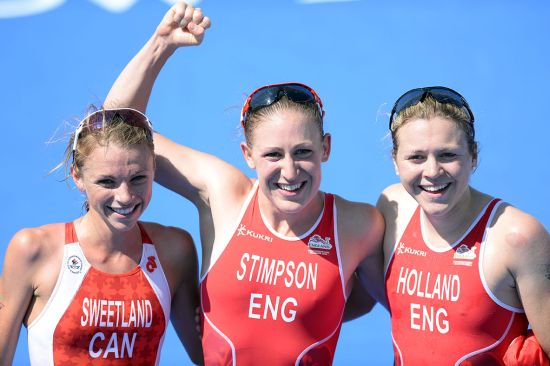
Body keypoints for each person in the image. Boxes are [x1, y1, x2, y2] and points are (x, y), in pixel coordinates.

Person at [103, 2, 385, 365]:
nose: (289, 171)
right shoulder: (225, 196)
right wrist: (161, 45)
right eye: (272, 155)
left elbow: (392, 303)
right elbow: (117, 127)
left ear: (325, 148)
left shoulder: (358, 225)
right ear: (248, 155)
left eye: (302, 152)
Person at [0, 108, 203, 365]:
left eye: (138, 178)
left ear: (154, 167)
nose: (125, 197)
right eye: (107, 182)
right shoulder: (33, 250)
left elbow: (212, 354)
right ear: (77, 176)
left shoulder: (175, 250)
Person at [379, 86, 550, 365]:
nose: (432, 172)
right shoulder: (392, 208)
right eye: (416, 157)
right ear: (395, 162)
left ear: (473, 156)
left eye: (448, 155)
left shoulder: (517, 237)